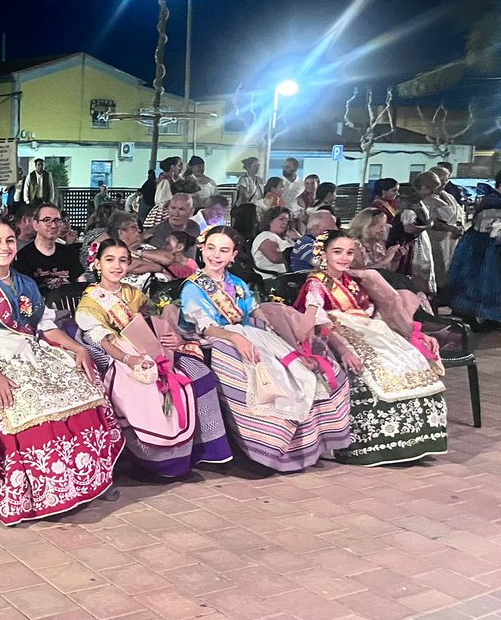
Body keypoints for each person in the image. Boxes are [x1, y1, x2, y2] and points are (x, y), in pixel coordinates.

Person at [0, 219, 124, 523]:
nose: (4, 247)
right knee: (26, 402)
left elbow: (45, 327)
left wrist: (78, 348)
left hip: (31, 348)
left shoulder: (26, 282)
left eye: (9, 241)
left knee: (81, 383)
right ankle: (42, 492)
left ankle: (90, 479)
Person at [180, 227, 351, 471]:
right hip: (215, 341)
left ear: (233, 255)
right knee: (257, 375)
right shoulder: (193, 287)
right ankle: (265, 447)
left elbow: (253, 312)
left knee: (299, 373)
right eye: (211, 248)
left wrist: (275, 328)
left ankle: (306, 444)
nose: (216, 255)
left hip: (250, 335)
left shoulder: (237, 283)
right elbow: (205, 327)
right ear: (202, 250)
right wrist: (235, 338)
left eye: (224, 250)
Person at [77, 238, 233, 478]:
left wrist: (169, 334)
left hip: (151, 347)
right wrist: (129, 359)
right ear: (97, 264)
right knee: (148, 388)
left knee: (198, 374)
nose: (117, 266)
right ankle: (156, 461)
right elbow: (103, 340)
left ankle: (203, 450)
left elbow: (154, 317)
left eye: (123, 260)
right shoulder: (89, 303)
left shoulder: (132, 292)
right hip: (120, 356)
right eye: (109, 260)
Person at [296, 231, 447, 466]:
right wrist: (343, 350)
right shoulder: (315, 284)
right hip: (336, 334)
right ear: (323, 253)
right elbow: (318, 321)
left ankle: (416, 439)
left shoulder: (356, 279)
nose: (344, 258)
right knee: (374, 367)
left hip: (370, 328)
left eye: (349, 252)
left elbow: (373, 310)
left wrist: (409, 333)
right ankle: (373, 444)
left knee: (412, 358)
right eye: (337, 252)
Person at [448, 176, 501, 323]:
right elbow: (491, 231)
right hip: (484, 251)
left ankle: (486, 318)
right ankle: (474, 318)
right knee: (479, 284)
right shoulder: (493, 203)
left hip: (484, 249)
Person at [13, 203, 84, 292]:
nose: (53, 225)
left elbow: (81, 281)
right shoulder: (23, 257)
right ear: (36, 224)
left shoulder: (69, 252)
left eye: (57, 220)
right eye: (47, 220)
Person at [421, 167, 465, 295]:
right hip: (435, 238)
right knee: (436, 266)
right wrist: (449, 227)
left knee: (449, 267)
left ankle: (446, 292)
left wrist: (459, 226)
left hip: (451, 239)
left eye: (447, 180)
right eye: (443, 180)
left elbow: (459, 213)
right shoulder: (426, 199)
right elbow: (428, 219)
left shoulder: (448, 196)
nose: (445, 183)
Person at [392, 175, 437, 295]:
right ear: (422, 187)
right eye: (430, 189)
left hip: (419, 241)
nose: (432, 192)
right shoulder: (409, 204)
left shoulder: (418, 202)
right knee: (416, 274)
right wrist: (428, 226)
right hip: (412, 244)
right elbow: (409, 228)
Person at [251, 207, 295, 274]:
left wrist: (300, 238)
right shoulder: (265, 236)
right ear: (270, 221)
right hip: (274, 279)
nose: (285, 223)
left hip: (293, 275)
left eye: (287, 220)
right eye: (281, 219)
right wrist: (299, 255)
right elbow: (275, 257)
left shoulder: (289, 239)